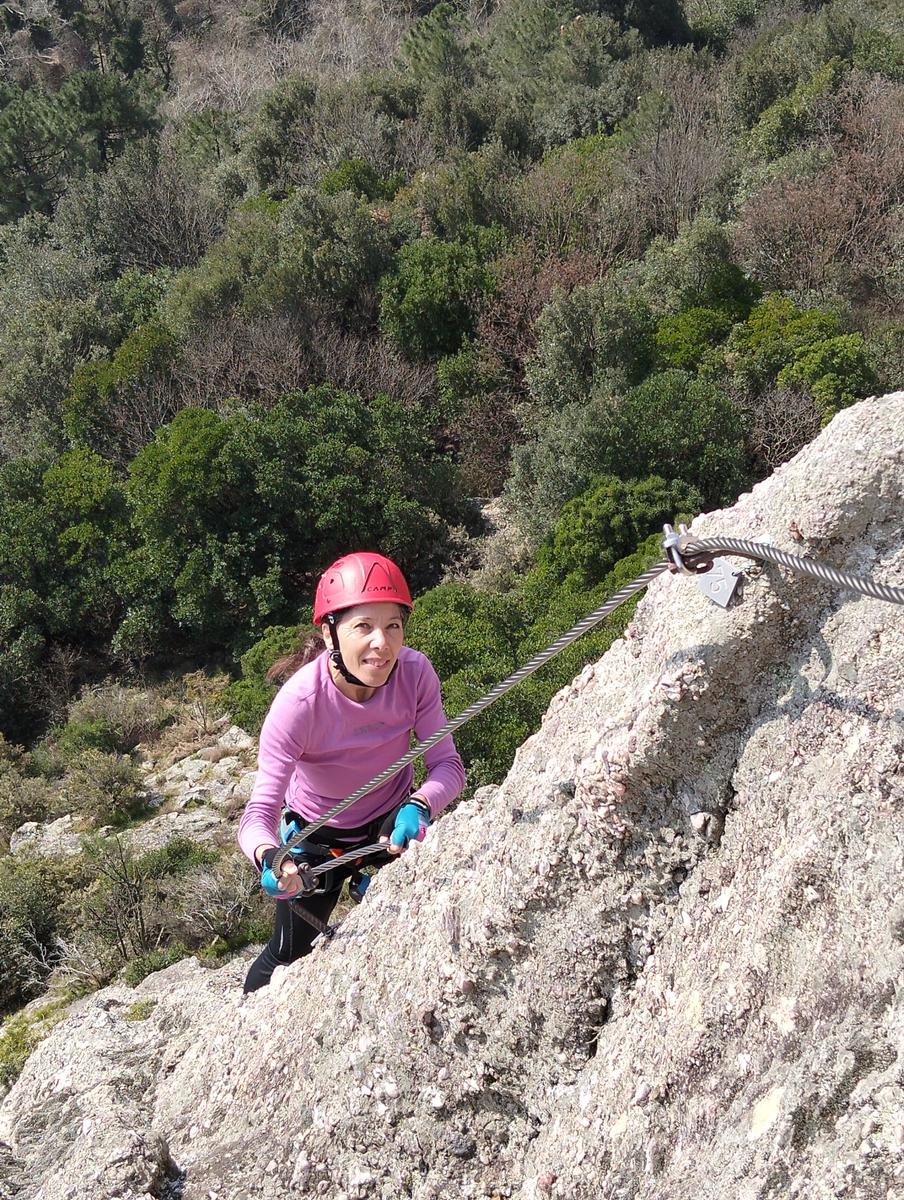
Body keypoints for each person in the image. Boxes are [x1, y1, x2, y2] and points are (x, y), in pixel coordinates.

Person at [238, 551, 465, 993]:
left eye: (393, 625)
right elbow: (257, 815)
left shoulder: (415, 674)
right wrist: (271, 857)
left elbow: (447, 766)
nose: (382, 643)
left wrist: (420, 806)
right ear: (330, 634)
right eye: (364, 626)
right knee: (287, 954)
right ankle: (243, 1022)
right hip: (317, 842)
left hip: (392, 827)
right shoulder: (299, 704)